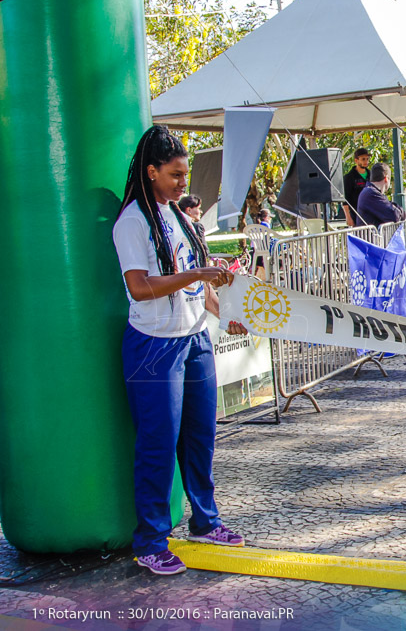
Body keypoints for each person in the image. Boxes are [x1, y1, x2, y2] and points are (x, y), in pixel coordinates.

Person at [112, 126, 247, 576]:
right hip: (154, 346)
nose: (183, 183)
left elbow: (193, 279)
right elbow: (140, 287)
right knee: (157, 442)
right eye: (174, 175)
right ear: (151, 172)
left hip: (193, 340)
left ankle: (205, 521)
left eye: (185, 174)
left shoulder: (179, 217)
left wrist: (218, 307)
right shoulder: (133, 221)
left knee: (199, 436)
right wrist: (198, 276)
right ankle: (150, 540)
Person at [356, 162, 405, 228]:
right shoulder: (371, 193)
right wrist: (400, 211)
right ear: (386, 178)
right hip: (371, 237)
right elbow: (394, 216)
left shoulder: (371, 192)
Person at [342, 147, 372, 227]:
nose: (366, 161)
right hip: (356, 214)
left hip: (370, 213)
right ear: (356, 160)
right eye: (363, 159)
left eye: (367, 159)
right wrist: (348, 217)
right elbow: (345, 199)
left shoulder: (371, 175)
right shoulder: (349, 177)